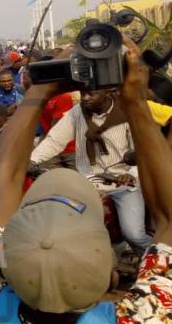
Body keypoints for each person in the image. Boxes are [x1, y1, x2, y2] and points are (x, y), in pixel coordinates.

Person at [0, 38, 172, 324]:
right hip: (94, 183)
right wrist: (137, 101)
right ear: (112, 275)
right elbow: (169, 220)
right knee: (133, 230)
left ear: (5, 262)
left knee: (131, 223)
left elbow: (3, 177)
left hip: (120, 180)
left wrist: (40, 89)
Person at [30, 87, 150, 256]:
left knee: (134, 234)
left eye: (92, 93)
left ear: (107, 92)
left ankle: (160, 264)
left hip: (125, 183)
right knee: (73, 229)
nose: (85, 98)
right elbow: (55, 140)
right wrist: (32, 160)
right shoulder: (77, 112)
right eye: (82, 93)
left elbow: (140, 150)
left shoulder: (127, 111)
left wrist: (131, 173)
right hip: (89, 181)